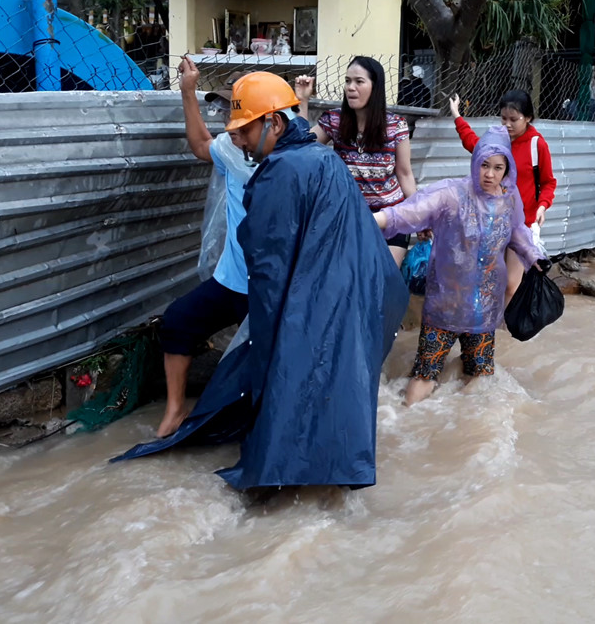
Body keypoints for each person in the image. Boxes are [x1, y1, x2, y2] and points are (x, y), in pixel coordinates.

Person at [115, 72, 410, 491]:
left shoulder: (281, 171)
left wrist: (271, 339)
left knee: (288, 381)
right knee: (331, 382)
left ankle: (279, 475)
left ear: (274, 123)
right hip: (345, 297)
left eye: (244, 131)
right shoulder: (322, 160)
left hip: (306, 300)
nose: (237, 141)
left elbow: (269, 268)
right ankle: (339, 470)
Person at [372, 126, 548, 406]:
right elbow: (409, 212)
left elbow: (518, 235)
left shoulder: (509, 200)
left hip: (483, 311)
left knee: (479, 376)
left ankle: (461, 427)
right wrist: (372, 220)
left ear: (507, 169)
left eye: (498, 167)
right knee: (424, 376)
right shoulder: (451, 194)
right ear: (475, 160)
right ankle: (407, 422)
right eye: (484, 165)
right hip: (445, 306)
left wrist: (535, 258)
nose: (490, 174)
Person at [154, 58, 254, 438]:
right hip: (233, 278)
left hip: (274, 283)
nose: (233, 116)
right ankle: (176, 411)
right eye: (231, 106)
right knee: (177, 321)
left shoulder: (291, 151)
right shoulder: (231, 145)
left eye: (238, 106)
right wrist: (187, 91)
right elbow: (200, 144)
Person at [294, 56, 418, 266]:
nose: (351, 87)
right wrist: (302, 100)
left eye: (359, 81)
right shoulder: (334, 121)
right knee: (351, 284)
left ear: (375, 86)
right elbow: (301, 147)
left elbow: (405, 174)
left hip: (390, 218)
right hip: (348, 217)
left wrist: (420, 213)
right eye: (347, 81)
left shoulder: (396, 125)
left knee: (381, 281)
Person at [450, 90, 556, 303]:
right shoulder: (498, 141)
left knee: (511, 284)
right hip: (493, 219)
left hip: (522, 224)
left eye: (513, 119)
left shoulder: (537, 145)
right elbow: (473, 144)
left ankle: (505, 330)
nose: (507, 124)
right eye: (503, 118)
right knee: (487, 276)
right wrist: (456, 115)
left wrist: (542, 206)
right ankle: (487, 327)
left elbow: (548, 182)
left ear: (527, 118)